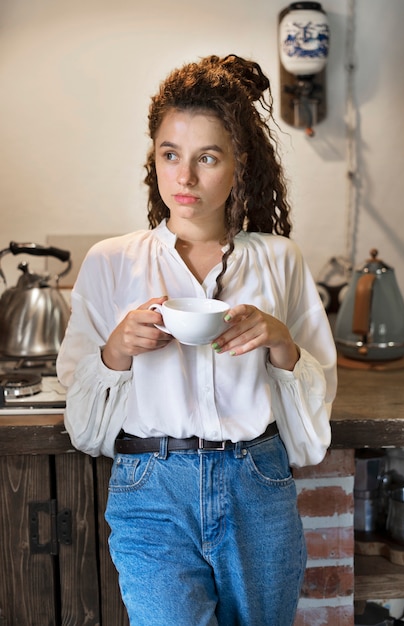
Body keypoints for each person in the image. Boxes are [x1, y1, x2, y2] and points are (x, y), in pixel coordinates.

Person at [57, 54, 337, 626]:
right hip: (150, 489)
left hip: (256, 481)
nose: (184, 178)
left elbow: (316, 406)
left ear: (239, 164)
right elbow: (81, 416)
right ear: (153, 160)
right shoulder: (111, 262)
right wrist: (116, 352)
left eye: (207, 157)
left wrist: (280, 342)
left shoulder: (279, 260)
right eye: (170, 155)